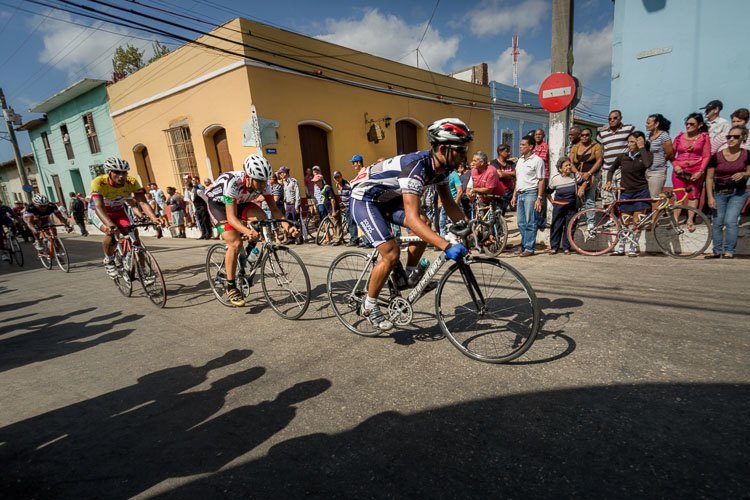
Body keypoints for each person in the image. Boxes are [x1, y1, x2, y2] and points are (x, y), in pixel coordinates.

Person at [349, 118, 472, 330]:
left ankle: (408, 275)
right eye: (460, 150)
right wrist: (446, 245)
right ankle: (369, 306)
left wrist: (468, 227)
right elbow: (412, 219)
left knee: (425, 223)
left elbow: (449, 203)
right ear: (443, 148)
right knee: (390, 253)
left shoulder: (440, 169)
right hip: (365, 199)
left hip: (387, 197)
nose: (464, 155)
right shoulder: (416, 168)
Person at [205, 154, 298, 306]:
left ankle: (247, 254)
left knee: (262, 217)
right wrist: (248, 232)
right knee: (234, 243)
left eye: (265, 181)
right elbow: (231, 217)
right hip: (219, 206)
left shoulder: (265, 185)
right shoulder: (233, 183)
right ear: (249, 177)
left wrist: (288, 226)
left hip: (242, 202)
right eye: (259, 182)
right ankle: (231, 286)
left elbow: (274, 210)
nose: (263, 185)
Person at [91, 158, 160, 277]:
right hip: (99, 211)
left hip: (118, 211)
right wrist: (109, 224)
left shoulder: (131, 182)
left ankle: (143, 271)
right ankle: (109, 260)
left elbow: (143, 203)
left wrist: (154, 218)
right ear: (109, 172)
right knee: (110, 233)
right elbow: (98, 206)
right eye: (117, 172)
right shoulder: (99, 182)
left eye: (124, 172)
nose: (121, 176)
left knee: (135, 237)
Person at [605, 131, 653, 257]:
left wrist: (642, 147)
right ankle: (621, 247)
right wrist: (609, 181)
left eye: (633, 142)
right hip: (626, 192)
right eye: (629, 141)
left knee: (637, 222)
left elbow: (648, 165)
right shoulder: (623, 156)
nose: (630, 144)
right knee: (625, 222)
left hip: (641, 192)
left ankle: (633, 246)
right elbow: (611, 170)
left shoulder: (646, 155)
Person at [705, 126, 750, 259]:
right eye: (729, 137)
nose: (731, 139)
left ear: (743, 137)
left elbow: (749, 172)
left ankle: (729, 250)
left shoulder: (747, 154)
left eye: (735, 137)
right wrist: (710, 197)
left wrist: (743, 174)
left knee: (730, 221)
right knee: (718, 221)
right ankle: (717, 250)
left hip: (738, 193)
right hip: (719, 192)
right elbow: (709, 177)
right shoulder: (717, 156)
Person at [672, 113, 711, 231]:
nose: (688, 126)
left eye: (692, 124)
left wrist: (701, 171)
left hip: (696, 170)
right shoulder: (679, 137)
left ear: (700, 125)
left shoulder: (704, 137)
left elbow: (706, 156)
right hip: (679, 170)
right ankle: (675, 219)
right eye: (687, 123)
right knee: (679, 195)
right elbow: (670, 155)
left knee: (693, 195)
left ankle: (690, 220)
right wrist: (675, 165)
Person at [511, 136, 545, 257]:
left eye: (523, 145)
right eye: (520, 144)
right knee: (521, 222)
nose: (520, 147)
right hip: (520, 193)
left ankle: (529, 248)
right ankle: (525, 245)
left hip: (531, 193)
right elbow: (517, 179)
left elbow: (541, 180)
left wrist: (539, 198)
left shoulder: (537, 160)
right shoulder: (520, 160)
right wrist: (514, 195)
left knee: (530, 221)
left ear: (530, 146)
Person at [598, 110, 635, 206]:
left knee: (622, 195)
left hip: (622, 168)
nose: (612, 120)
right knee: (608, 196)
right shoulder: (603, 133)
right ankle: (612, 219)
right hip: (607, 169)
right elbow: (596, 147)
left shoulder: (629, 128)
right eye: (609, 119)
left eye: (615, 118)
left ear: (620, 118)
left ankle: (621, 219)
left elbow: (638, 140)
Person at [547, 159, 582, 255]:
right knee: (556, 226)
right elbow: (548, 192)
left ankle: (566, 248)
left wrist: (581, 188)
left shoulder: (575, 176)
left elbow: (584, 182)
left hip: (572, 206)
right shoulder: (555, 179)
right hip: (559, 207)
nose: (569, 167)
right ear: (560, 168)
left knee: (570, 227)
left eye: (569, 165)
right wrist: (553, 202)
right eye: (566, 166)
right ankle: (554, 247)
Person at [644, 113, 674, 198]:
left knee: (655, 198)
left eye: (648, 123)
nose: (646, 125)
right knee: (646, 197)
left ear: (656, 124)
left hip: (657, 172)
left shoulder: (664, 136)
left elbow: (670, 153)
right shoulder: (647, 136)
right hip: (646, 170)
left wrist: (660, 161)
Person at [277, 166, 303, 244]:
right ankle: (291, 238)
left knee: (296, 221)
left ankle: (298, 238)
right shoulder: (284, 182)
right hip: (287, 205)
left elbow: (297, 194)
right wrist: (285, 206)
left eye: (281, 173)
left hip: (293, 204)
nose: (280, 174)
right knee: (288, 221)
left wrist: (296, 206)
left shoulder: (293, 181)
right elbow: (285, 195)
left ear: (285, 173)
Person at [333, 170, 357, 246]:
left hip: (350, 205)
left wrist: (348, 206)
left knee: (351, 223)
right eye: (335, 178)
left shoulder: (347, 185)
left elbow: (352, 196)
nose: (337, 179)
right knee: (350, 223)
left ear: (341, 176)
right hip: (345, 206)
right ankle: (355, 239)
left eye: (338, 177)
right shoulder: (337, 185)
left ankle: (354, 240)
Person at [489, 144, 516, 214]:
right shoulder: (494, 163)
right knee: (499, 214)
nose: (509, 153)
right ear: (500, 152)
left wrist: (503, 173)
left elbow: (516, 174)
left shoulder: (511, 163)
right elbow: (500, 175)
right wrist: (511, 175)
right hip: (499, 193)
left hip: (510, 192)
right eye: (507, 151)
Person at [533, 129, 550, 230]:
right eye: (536, 134)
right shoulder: (532, 147)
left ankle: (541, 221)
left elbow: (540, 160)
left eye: (539, 134)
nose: (538, 136)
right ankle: (536, 219)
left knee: (541, 199)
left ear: (543, 136)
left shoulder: (545, 146)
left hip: (543, 176)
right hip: (533, 177)